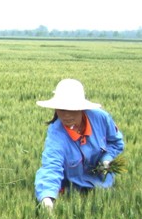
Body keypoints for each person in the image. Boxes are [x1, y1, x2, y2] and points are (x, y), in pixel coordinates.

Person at [35, 78, 125, 210]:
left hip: (102, 184)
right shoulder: (56, 133)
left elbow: (116, 142)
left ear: (82, 108)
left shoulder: (101, 118)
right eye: (61, 109)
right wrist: (47, 198)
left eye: (71, 109)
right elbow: (51, 165)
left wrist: (106, 159)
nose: (66, 115)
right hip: (72, 189)